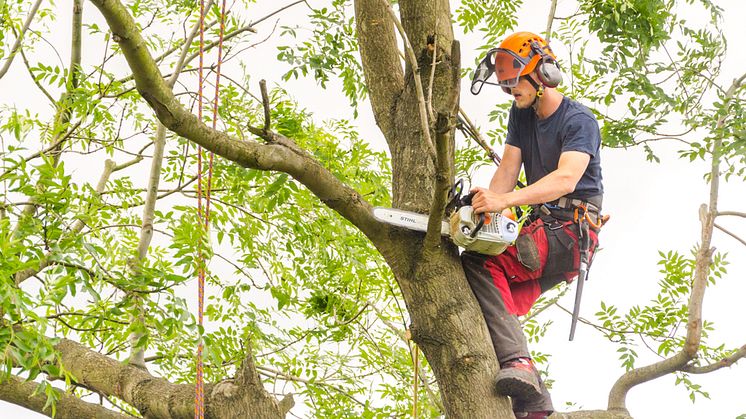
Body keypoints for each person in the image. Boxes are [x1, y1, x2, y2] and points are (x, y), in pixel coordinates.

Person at [466, 31, 605, 418]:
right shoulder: (520, 115)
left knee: (481, 265)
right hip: (543, 231)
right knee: (491, 300)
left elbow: (565, 180)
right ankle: (536, 403)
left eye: (515, 82)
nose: (511, 91)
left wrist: (506, 202)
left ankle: (519, 364)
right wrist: (488, 211)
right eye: (505, 84)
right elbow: (508, 169)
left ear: (542, 73)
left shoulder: (579, 121)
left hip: (567, 233)